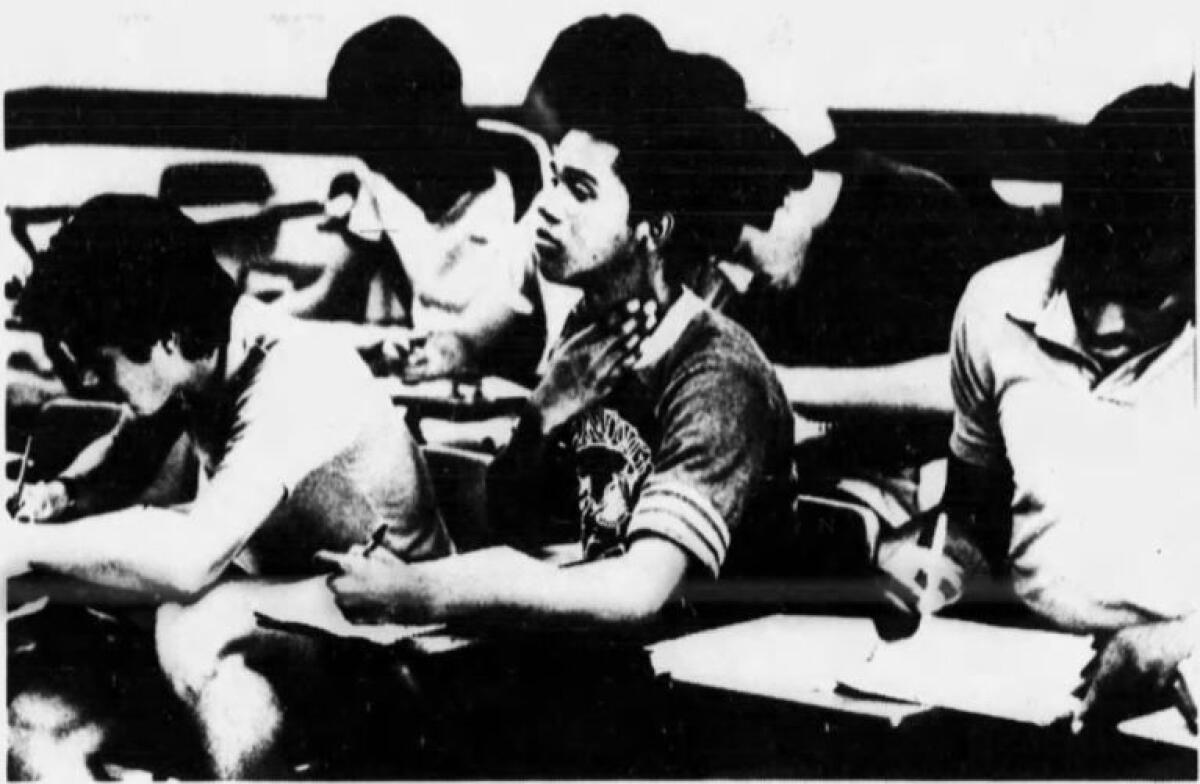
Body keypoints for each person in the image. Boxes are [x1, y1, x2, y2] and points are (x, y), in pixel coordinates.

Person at [317, 29, 795, 628]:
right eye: (552, 181)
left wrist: (425, 591)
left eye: (580, 191)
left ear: (654, 228)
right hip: (605, 653)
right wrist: (546, 409)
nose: (545, 207)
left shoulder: (716, 369)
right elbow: (514, 523)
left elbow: (636, 591)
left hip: (705, 672)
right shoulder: (586, 329)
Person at [6, 194, 451, 778]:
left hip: (406, 652)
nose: (87, 378)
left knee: (194, 626)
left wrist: (18, 543)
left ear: (164, 337)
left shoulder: (293, 375)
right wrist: (56, 494)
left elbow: (191, 558)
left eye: (98, 357)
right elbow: (127, 452)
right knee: (49, 679)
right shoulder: (202, 358)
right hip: (309, 611)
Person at [942, 82, 1197, 725]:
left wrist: (1177, 644)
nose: (1106, 326)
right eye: (1089, 283)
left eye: (1144, 298)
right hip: (1030, 680)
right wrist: (927, 569)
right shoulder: (993, 306)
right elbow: (974, 525)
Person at [702, 113, 986, 577]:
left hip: (917, 492)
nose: (738, 281)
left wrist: (782, 384)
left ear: (787, 197)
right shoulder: (763, 267)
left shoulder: (917, 210)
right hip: (809, 485)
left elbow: (966, 383)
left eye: (741, 255)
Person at [273, 17, 546, 384]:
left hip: (507, 388)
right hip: (421, 380)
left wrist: (457, 346)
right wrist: (247, 320)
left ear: (435, 126)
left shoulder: (522, 171)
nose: (389, 178)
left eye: (395, 162)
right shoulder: (379, 176)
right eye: (375, 162)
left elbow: (517, 299)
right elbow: (329, 295)